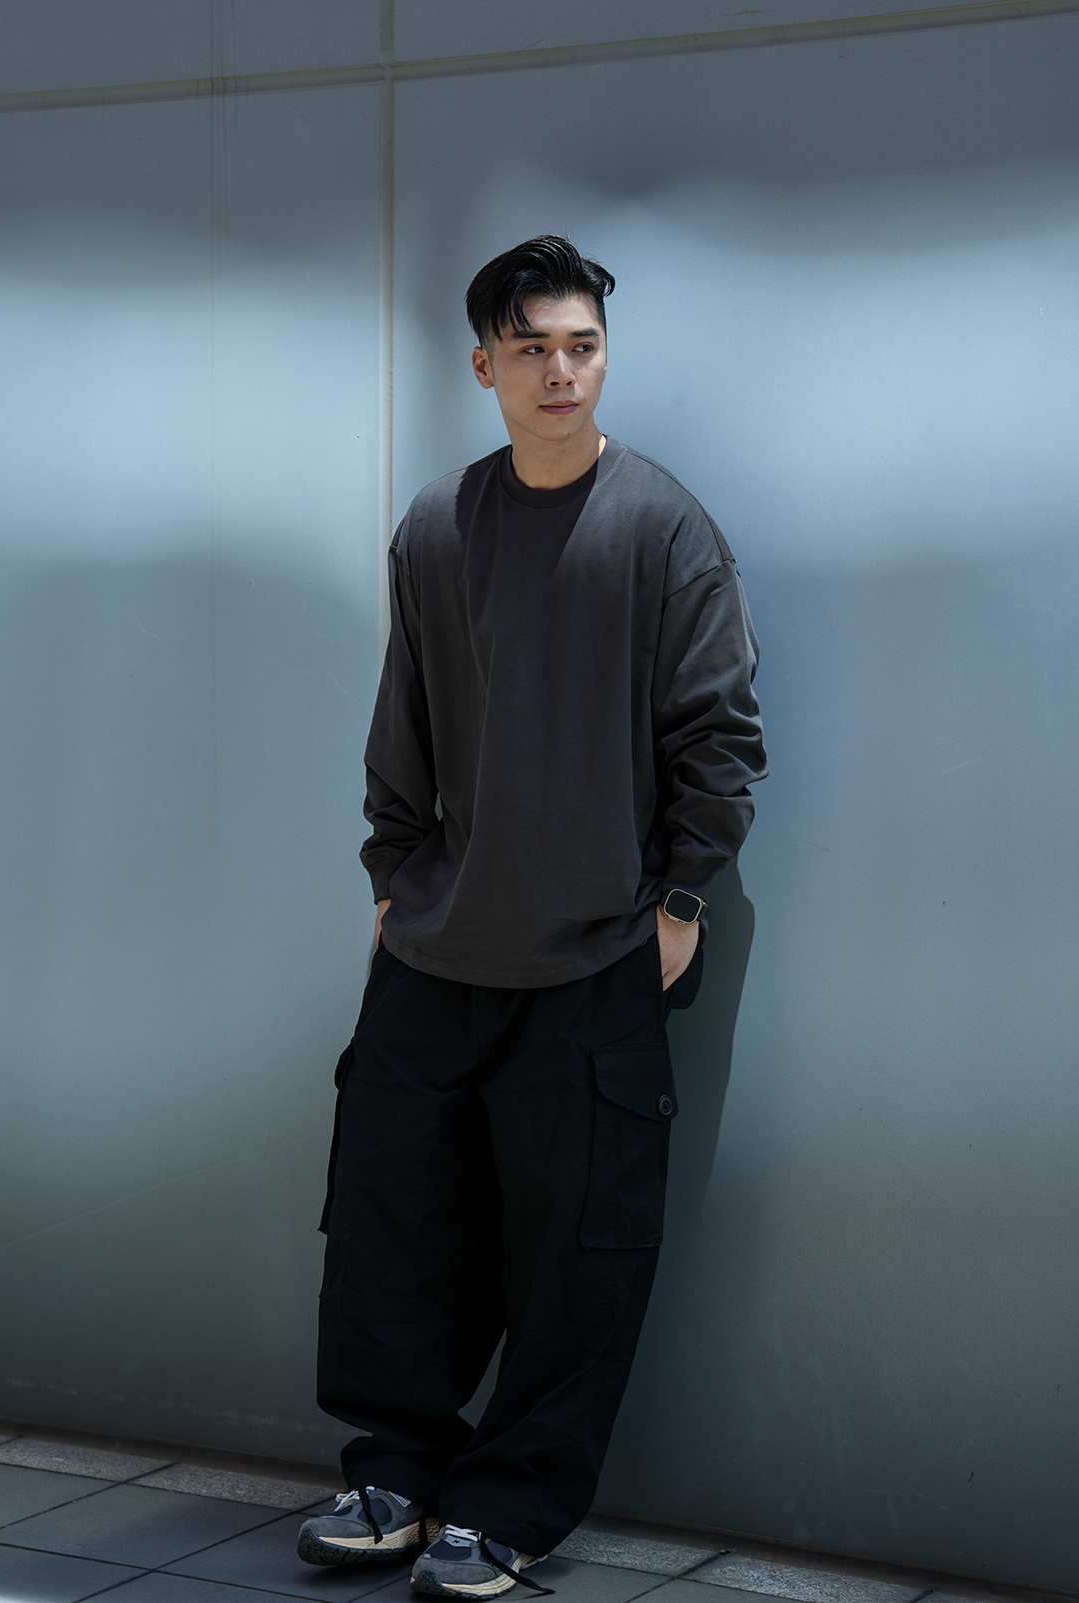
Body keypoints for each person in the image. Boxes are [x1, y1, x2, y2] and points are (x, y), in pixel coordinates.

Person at [297, 236, 767, 1598]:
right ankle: (394, 1474)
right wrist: (393, 876)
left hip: (596, 957)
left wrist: (681, 899)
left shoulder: (664, 528)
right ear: (484, 365)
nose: (561, 371)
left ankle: (504, 1510)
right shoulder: (441, 526)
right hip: (439, 949)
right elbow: (403, 725)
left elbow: (722, 737)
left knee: (578, 1257)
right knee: (393, 1226)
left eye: (582, 346)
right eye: (533, 349)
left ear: (601, 356)